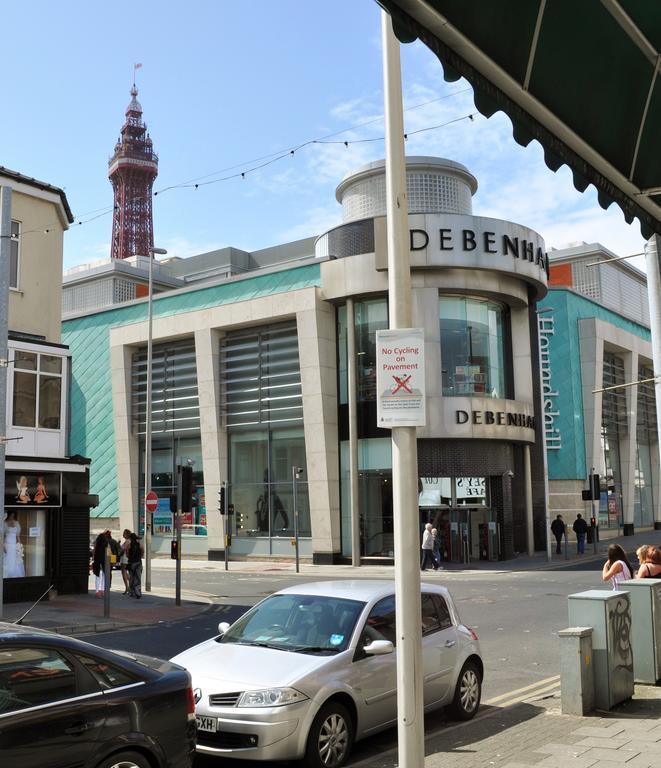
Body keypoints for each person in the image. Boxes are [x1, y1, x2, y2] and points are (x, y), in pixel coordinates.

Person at [3, 512, 25, 578]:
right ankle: (7, 573)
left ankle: (14, 574)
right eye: (11, 515)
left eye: (13, 515)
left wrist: (20, 545)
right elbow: (2, 536)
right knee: (7, 559)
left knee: (15, 559)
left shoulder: (16, 523)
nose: (12, 516)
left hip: (14, 545)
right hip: (7, 544)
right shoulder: (4, 523)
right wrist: (3, 545)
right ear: (8, 515)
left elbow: (18, 536)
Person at [92, 531, 111, 597]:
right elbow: (109, 553)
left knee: (98, 576)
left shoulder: (96, 544)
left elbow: (94, 553)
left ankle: (97, 592)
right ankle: (102, 591)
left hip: (97, 561)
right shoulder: (106, 544)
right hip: (104, 561)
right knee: (104, 576)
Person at [127, 532, 144, 598]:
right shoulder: (140, 545)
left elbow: (127, 553)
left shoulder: (129, 545)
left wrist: (130, 558)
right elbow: (142, 552)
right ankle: (138, 591)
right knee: (138, 577)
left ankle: (132, 592)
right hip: (138, 563)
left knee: (131, 577)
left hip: (131, 563)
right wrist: (140, 556)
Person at [120, 528, 132, 594]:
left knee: (124, 573)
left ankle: (127, 587)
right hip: (125, 558)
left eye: (124, 533)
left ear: (127, 534)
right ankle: (129, 587)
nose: (123, 534)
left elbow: (123, 549)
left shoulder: (127, 541)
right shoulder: (128, 541)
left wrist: (119, 551)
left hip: (124, 558)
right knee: (126, 573)